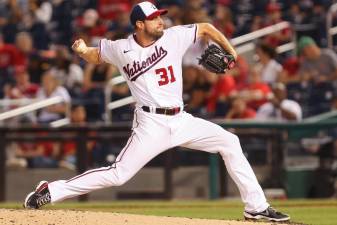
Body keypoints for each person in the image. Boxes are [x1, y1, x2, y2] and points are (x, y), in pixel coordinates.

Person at [23, 1, 289, 222]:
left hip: (181, 119)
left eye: (160, 16)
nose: (160, 21)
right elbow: (96, 54)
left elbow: (206, 28)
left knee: (230, 141)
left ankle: (255, 207)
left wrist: (231, 53)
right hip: (150, 123)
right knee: (118, 175)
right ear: (140, 24)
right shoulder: (121, 48)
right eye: (154, 18)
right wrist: (82, 51)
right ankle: (51, 190)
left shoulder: (173, 36)